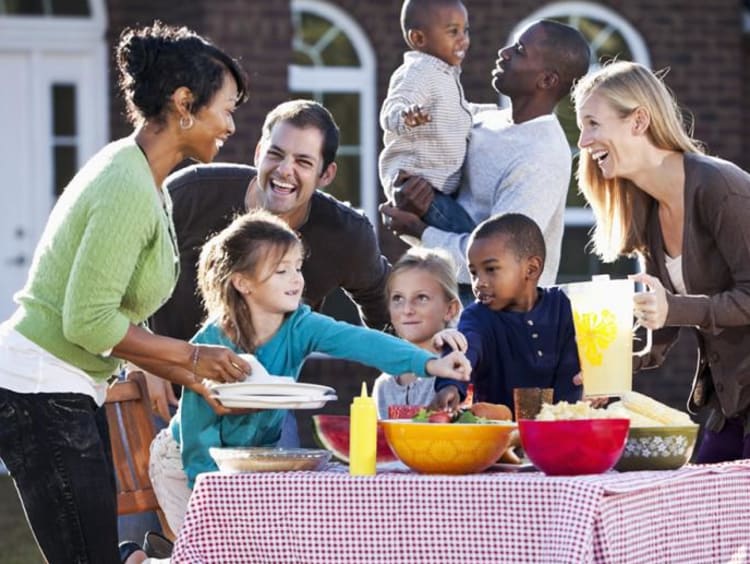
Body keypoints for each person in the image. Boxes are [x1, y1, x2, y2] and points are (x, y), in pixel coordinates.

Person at [0, 21, 251, 564]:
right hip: (39, 391)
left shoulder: (146, 181)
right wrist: (191, 356)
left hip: (63, 389)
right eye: (226, 108)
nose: (231, 124)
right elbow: (87, 322)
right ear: (185, 103)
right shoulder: (126, 186)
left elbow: (107, 319)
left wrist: (189, 376)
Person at [148, 210, 471, 532]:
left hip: (250, 462)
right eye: (281, 270)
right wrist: (206, 488)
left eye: (298, 268)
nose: (296, 279)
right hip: (187, 464)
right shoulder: (212, 344)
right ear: (243, 282)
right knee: (204, 550)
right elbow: (197, 428)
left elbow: (362, 341)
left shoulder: (301, 325)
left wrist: (427, 363)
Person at [572, 61, 750, 463]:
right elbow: (663, 323)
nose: (583, 141)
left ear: (638, 121)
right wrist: (612, 368)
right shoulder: (648, 209)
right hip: (731, 404)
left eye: (593, 124)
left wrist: (677, 308)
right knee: (705, 516)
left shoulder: (719, 188)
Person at [380, 19, 591, 298]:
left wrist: (419, 231)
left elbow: (502, 262)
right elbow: (437, 195)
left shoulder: (542, 155)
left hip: (500, 313)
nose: (504, 52)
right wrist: (406, 193)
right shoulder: (480, 120)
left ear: (547, 80)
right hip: (446, 287)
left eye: (519, 50)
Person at [431, 213, 582, 414]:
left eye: (491, 269)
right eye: (474, 272)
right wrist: (450, 385)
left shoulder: (565, 308)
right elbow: (464, 348)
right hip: (499, 435)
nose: (479, 283)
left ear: (531, 269)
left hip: (565, 428)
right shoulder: (478, 317)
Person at [379, 0, 483, 234]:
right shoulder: (419, 72)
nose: (463, 39)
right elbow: (392, 107)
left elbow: (458, 112)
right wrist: (405, 117)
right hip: (420, 189)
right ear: (418, 39)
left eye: (465, 30)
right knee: (470, 238)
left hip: (441, 185)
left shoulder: (445, 74)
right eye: (452, 31)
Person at [372, 248, 466, 418]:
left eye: (421, 298)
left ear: (450, 309)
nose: (407, 310)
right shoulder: (384, 385)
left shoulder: (459, 372)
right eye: (398, 298)